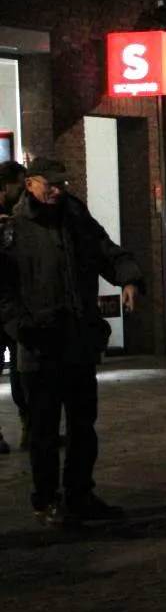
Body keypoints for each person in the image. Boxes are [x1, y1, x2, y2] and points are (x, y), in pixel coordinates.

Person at [0, 157, 144, 525]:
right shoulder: (12, 225)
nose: (57, 190)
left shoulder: (75, 217)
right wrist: (20, 326)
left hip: (77, 340)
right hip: (38, 344)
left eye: (61, 183)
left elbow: (107, 252)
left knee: (83, 426)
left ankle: (81, 493)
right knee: (44, 431)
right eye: (49, 183)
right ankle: (46, 500)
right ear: (30, 183)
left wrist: (128, 278)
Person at [0, 160, 30, 453]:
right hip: (9, 301)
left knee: (22, 368)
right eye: (19, 185)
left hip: (14, 303)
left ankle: (28, 427)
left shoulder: (19, 216)